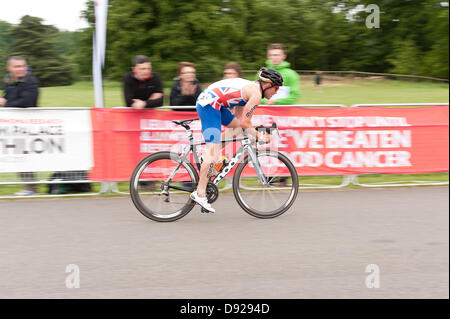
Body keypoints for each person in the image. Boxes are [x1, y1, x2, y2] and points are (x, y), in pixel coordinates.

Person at [190, 67, 283, 213]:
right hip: (209, 105)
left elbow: (241, 121)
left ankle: (208, 159)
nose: (276, 91)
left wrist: (253, 130)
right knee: (213, 151)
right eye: (276, 88)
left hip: (215, 103)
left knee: (237, 128)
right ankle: (200, 193)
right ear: (267, 85)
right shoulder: (256, 94)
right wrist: (260, 137)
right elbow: (247, 123)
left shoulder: (251, 91)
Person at [0, 56, 39, 196]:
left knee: (26, 156)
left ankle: (31, 188)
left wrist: (5, 103)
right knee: (19, 155)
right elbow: (8, 97)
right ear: (9, 68)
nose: (21, 69)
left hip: (29, 124)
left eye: (23, 66)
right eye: (17, 66)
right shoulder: (9, 81)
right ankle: (29, 187)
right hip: (14, 124)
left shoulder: (31, 81)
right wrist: (4, 99)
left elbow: (27, 101)